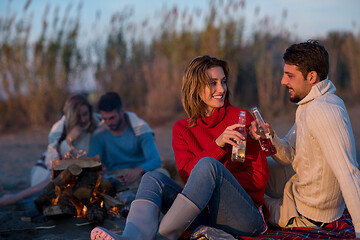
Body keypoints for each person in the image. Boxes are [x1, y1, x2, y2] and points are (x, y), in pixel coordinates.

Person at [90, 55, 269, 240]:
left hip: (244, 217)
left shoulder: (241, 119)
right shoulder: (182, 129)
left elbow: (259, 178)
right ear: (195, 88)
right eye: (213, 83)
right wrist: (217, 145)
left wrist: (219, 181)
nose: (221, 89)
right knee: (152, 178)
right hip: (204, 214)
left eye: (223, 82)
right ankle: (131, 237)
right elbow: (189, 176)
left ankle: (162, 237)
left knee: (209, 166)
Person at [250, 40, 360, 237]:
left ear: (311, 76)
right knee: (248, 168)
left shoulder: (323, 111)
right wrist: (271, 138)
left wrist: (359, 231)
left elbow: (349, 173)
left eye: (290, 76)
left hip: (306, 213)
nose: (283, 81)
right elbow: (289, 156)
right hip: (297, 188)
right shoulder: (310, 104)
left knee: (246, 201)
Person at [0, 94, 100, 206]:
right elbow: (53, 160)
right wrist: (68, 140)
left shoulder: (95, 121)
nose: (83, 119)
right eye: (78, 116)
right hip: (47, 172)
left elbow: (114, 117)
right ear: (71, 116)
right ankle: (16, 197)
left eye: (85, 114)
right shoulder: (60, 127)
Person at [88, 92, 165, 194]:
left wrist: (138, 170)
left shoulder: (140, 129)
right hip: (114, 176)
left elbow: (155, 160)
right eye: (104, 119)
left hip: (140, 174)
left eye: (112, 118)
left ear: (122, 111)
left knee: (162, 173)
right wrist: (98, 169)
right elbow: (92, 162)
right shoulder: (99, 134)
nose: (108, 123)